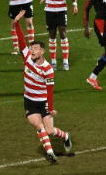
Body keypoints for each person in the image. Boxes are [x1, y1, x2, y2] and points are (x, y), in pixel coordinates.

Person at [11, 11, 72, 163]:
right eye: (32, 48)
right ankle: (50, 152)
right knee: (37, 125)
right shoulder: (26, 57)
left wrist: (50, 108)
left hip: (43, 102)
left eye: (36, 48)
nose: (32, 50)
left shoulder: (48, 69)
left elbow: (50, 91)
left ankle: (65, 136)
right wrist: (17, 22)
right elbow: (20, 38)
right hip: (29, 101)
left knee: (50, 130)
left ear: (43, 52)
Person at [28, 0, 78, 71]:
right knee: (52, 36)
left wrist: (74, 4)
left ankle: (65, 62)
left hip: (61, 10)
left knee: (63, 33)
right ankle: (54, 62)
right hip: (49, 10)